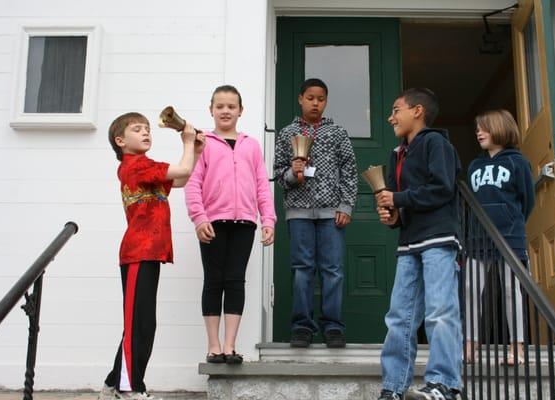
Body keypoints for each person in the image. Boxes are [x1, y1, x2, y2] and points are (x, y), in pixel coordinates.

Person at [98, 112, 204, 400]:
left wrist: (193, 150)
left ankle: (112, 384)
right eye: (137, 129)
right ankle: (129, 387)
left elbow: (181, 179)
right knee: (139, 324)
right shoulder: (135, 166)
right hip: (138, 253)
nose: (146, 132)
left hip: (150, 253)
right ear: (120, 141)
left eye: (148, 129)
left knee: (141, 322)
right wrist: (188, 140)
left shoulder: (147, 169)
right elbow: (181, 171)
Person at [375, 88, 462, 400]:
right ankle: (394, 387)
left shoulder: (437, 143)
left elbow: (442, 187)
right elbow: (403, 205)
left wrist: (398, 198)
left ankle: (445, 384)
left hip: (439, 238)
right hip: (409, 242)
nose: (391, 117)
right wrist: (393, 216)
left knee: (441, 312)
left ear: (418, 111)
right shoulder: (396, 154)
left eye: (396, 109)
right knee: (399, 316)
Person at [184, 85, 276, 365]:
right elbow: (192, 183)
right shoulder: (204, 143)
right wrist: (199, 218)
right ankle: (213, 346)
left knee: (236, 281)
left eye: (231, 106)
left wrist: (267, 219)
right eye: (220, 106)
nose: (225, 111)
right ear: (211, 109)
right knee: (214, 281)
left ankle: (229, 345)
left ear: (240, 110)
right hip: (213, 223)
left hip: (245, 224)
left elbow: (262, 185)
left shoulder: (251, 145)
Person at [273, 78, 358, 348]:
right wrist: (293, 173)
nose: (315, 103)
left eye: (320, 99)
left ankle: (333, 326)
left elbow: (350, 171)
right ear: (300, 99)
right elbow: (277, 174)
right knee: (302, 269)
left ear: (326, 101)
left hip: (332, 213)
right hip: (298, 213)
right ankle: (302, 326)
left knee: (333, 270)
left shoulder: (337, 133)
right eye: (310, 98)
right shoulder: (287, 134)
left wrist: (345, 206)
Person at [464, 109, 535, 365]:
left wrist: (510, 222)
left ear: (500, 128)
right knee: (472, 289)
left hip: (509, 237)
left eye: (484, 127)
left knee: (510, 289)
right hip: (477, 239)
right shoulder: (475, 165)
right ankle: (470, 345)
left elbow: (527, 201)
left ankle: (517, 348)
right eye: (477, 129)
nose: (478, 132)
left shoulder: (518, 162)